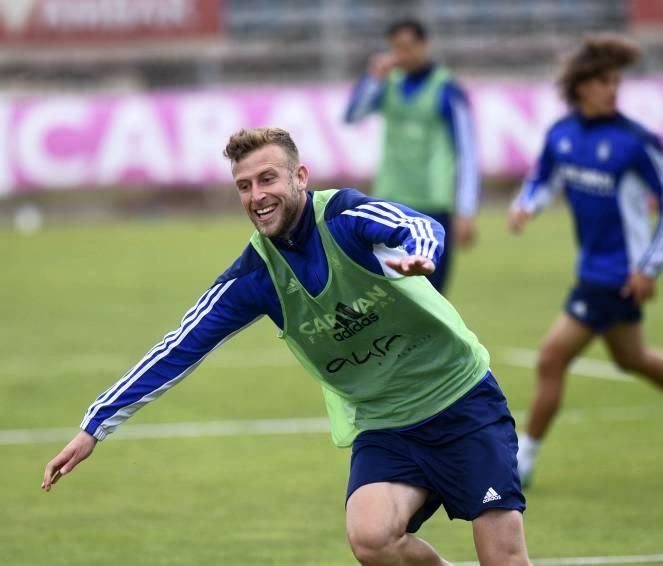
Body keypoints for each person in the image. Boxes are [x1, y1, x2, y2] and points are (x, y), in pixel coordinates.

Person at [41, 128, 531, 566]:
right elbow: (178, 347)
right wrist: (95, 426)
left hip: (462, 403)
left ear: (300, 176)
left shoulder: (343, 217)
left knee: (502, 557)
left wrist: (422, 254)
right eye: (244, 186)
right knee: (372, 538)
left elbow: (418, 225)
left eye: (267, 179)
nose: (257, 196)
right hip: (385, 425)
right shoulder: (256, 277)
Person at [507, 35, 663, 488]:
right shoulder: (562, 134)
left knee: (551, 358)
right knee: (631, 357)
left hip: (619, 275)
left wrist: (648, 266)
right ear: (581, 87)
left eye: (616, 81)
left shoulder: (636, 141)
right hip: (594, 269)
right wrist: (525, 206)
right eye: (603, 81)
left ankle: (523, 462)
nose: (613, 89)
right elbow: (544, 178)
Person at [344, 18, 480, 294]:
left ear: (424, 45)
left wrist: (465, 210)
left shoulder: (447, 89)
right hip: (391, 204)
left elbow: (467, 152)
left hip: (433, 204)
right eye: (397, 48)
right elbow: (352, 116)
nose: (402, 55)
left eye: (408, 47)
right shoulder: (387, 83)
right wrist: (372, 78)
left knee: (431, 296)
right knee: (389, 295)